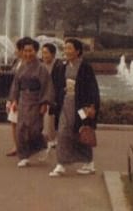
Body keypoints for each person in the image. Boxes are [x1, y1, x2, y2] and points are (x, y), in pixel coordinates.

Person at [49, 38, 100, 177]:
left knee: (81, 131)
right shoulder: (63, 66)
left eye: (70, 48)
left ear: (78, 51)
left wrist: (92, 106)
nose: (66, 51)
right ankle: (61, 164)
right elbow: (58, 84)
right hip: (66, 103)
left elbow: (93, 88)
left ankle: (89, 163)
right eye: (65, 48)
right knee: (63, 132)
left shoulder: (85, 67)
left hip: (81, 106)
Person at [8, 37, 54, 167]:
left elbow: (47, 86)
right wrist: (14, 100)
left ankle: (44, 144)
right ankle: (24, 156)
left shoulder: (41, 68)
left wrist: (45, 103)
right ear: (22, 52)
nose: (28, 53)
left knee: (34, 129)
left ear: (36, 51)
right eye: (25, 51)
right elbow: (16, 85)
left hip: (36, 100)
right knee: (21, 129)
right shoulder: (21, 68)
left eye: (31, 51)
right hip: (23, 100)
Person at [40, 42, 61, 156]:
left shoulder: (58, 66)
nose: (44, 55)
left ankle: (53, 140)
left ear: (53, 54)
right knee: (46, 119)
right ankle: (48, 139)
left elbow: (58, 84)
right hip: (43, 96)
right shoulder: (41, 65)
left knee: (51, 118)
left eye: (46, 53)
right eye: (42, 53)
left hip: (53, 97)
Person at [5, 37, 25, 156]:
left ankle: (20, 146)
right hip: (15, 98)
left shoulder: (26, 64)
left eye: (16, 49)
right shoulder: (19, 63)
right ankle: (17, 145)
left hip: (22, 99)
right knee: (14, 122)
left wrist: (15, 99)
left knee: (19, 124)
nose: (14, 51)